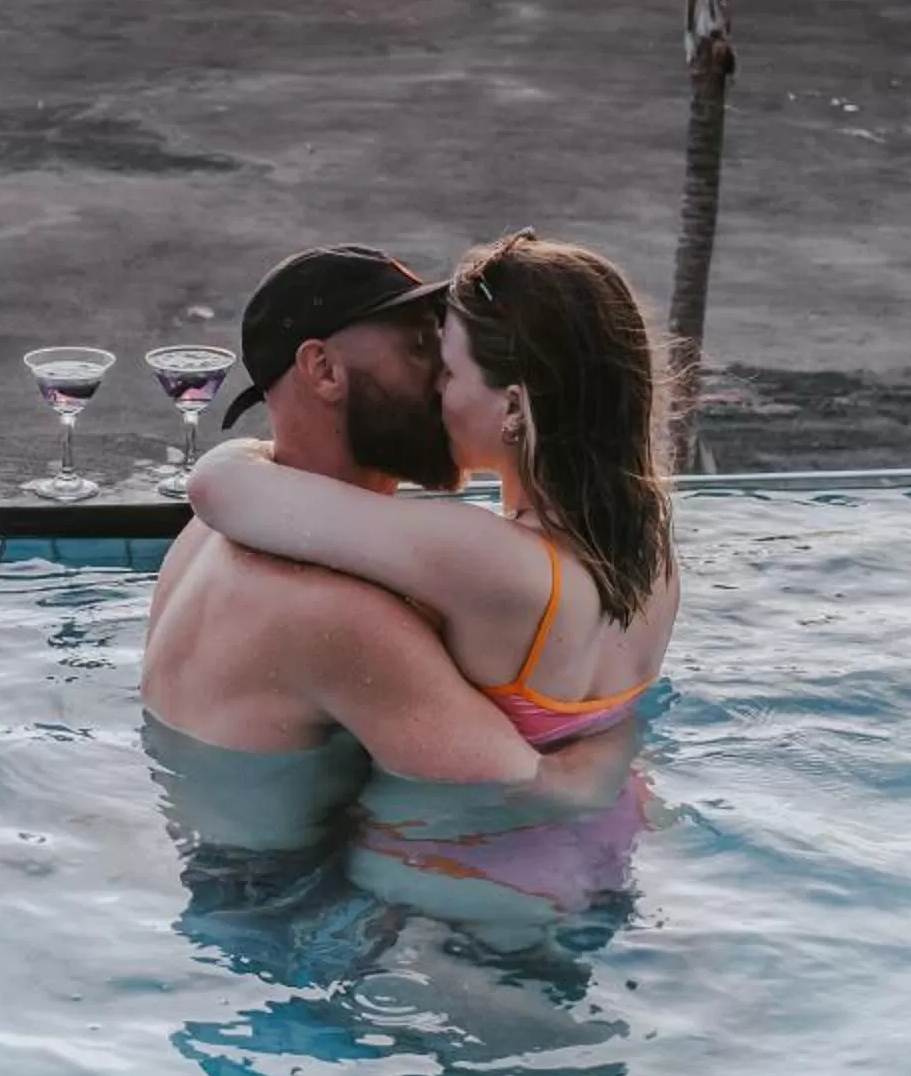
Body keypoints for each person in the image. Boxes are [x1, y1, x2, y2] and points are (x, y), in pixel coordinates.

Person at [185, 230, 679, 753]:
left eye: (448, 370)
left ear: (514, 408)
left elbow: (217, 487)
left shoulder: (486, 556)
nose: (435, 389)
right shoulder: (654, 550)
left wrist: (237, 451)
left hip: (473, 810)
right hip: (624, 804)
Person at [140, 244, 544, 827]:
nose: (447, 379)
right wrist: (613, 736)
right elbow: (544, 792)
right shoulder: (337, 617)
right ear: (324, 370)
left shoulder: (206, 530)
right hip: (299, 883)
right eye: (420, 348)